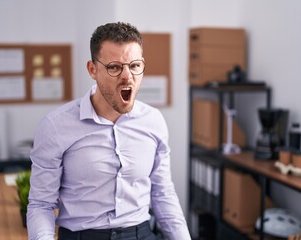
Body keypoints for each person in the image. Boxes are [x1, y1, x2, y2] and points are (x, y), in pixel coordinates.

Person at [27, 22, 191, 240]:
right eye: (114, 67)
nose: (127, 76)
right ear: (93, 70)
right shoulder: (56, 126)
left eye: (134, 66)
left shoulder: (153, 121)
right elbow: (41, 204)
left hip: (140, 233)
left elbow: (162, 192)